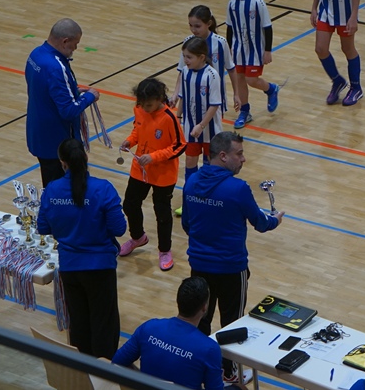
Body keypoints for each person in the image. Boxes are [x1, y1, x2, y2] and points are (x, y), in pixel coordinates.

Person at [181, 131, 283, 383]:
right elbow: (261, 223)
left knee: (200, 320)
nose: (243, 159)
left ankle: (199, 369)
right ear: (223, 156)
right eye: (239, 154)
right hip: (230, 269)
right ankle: (228, 372)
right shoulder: (238, 189)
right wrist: (275, 220)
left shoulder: (191, 183)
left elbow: (186, 224)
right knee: (232, 323)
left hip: (199, 266)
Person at [36, 139, 125, 359]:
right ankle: (104, 374)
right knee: (104, 325)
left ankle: (83, 371)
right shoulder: (103, 189)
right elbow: (119, 228)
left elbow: (43, 226)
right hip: (100, 268)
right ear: (85, 158)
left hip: (70, 268)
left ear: (62, 163)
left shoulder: (52, 190)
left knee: (79, 324)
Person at [118, 78, 186, 272]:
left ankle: (164, 250)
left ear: (159, 99)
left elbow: (180, 145)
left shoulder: (169, 117)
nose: (145, 108)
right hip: (140, 168)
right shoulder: (140, 109)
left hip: (163, 174)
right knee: (129, 204)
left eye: (149, 105)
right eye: (142, 104)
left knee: (162, 213)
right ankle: (138, 237)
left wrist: (154, 157)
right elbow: (138, 130)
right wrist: (130, 141)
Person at [25, 18, 100, 187]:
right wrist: (90, 96)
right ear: (65, 41)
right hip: (58, 143)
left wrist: (71, 91)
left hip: (40, 135)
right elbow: (68, 110)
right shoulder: (56, 67)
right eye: (75, 43)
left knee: (51, 187)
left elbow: (43, 89)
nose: (76, 48)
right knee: (65, 191)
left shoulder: (35, 55)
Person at [113, 276, 223, 390]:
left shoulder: (149, 328)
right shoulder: (210, 349)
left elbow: (117, 363)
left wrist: (143, 381)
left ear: (178, 301)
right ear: (205, 307)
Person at [226, 0, 280, 128]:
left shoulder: (258, 2)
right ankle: (245, 112)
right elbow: (229, 28)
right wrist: (229, 49)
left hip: (255, 50)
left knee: (251, 79)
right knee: (240, 80)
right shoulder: (231, 4)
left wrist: (267, 50)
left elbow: (267, 27)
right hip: (238, 50)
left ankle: (271, 89)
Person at [172, 37, 222, 178]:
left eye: (189, 57)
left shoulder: (212, 75)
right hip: (190, 127)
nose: (185, 60)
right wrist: (178, 116)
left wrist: (201, 125)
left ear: (201, 57)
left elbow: (214, 105)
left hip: (209, 129)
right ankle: (190, 188)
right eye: (184, 56)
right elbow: (183, 96)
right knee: (190, 161)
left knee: (210, 163)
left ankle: (208, 189)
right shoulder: (185, 72)